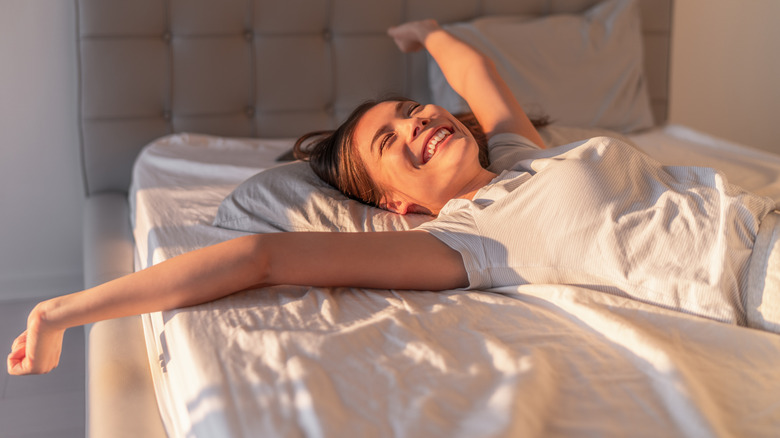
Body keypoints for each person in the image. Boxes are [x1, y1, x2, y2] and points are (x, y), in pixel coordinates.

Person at [7, 20, 778, 376]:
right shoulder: (471, 240)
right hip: (758, 275)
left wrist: (425, 33)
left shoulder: (517, 157)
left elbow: (475, 76)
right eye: (393, 144)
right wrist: (59, 311)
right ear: (400, 205)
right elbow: (261, 255)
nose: (419, 124)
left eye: (412, 112)